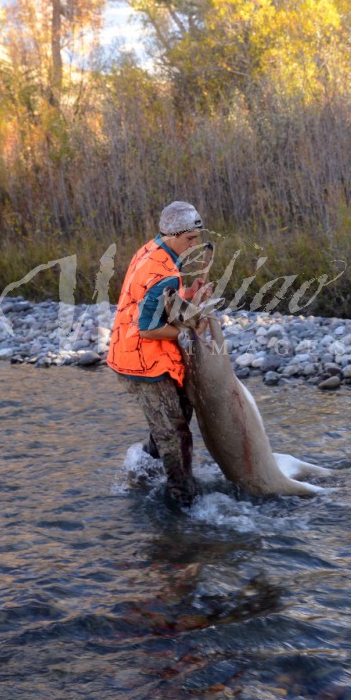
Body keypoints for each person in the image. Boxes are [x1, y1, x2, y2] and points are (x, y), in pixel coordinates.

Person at [107, 201, 211, 507]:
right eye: (190, 239)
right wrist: (189, 331)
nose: (193, 245)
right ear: (173, 234)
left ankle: (142, 472)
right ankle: (184, 499)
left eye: (196, 238)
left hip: (138, 352)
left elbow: (159, 301)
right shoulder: (161, 271)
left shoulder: (152, 249)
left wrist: (189, 294)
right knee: (175, 435)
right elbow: (149, 329)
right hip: (140, 362)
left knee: (181, 412)